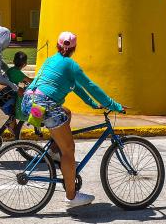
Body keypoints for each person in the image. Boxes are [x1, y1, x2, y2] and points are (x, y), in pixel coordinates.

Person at [21, 31, 125, 206]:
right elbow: (90, 86)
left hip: (29, 101)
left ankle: (54, 150)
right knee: (69, 150)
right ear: (74, 49)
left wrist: (92, 104)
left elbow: (76, 88)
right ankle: (72, 196)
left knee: (66, 113)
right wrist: (114, 105)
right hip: (45, 104)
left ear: (57, 46)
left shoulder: (50, 60)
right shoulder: (71, 65)